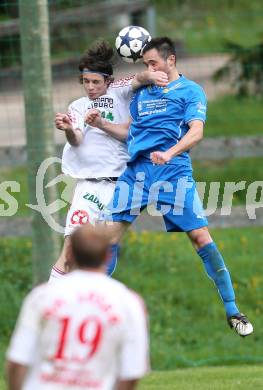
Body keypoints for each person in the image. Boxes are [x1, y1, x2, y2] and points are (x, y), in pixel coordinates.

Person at [85, 37, 253, 337]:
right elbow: (131, 131)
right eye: (145, 65)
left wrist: (170, 152)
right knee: (105, 239)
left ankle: (232, 310)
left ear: (171, 60)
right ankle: (88, 311)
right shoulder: (141, 93)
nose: (150, 69)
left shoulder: (190, 91)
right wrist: (102, 125)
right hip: (137, 172)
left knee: (200, 237)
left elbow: (196, 132)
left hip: (172, 171)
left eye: (154, 63)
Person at [49, 40, 168, 281]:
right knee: (70, 251)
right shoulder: (78, 106)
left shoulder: (121, 92)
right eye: (86, 82)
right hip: (88, 187)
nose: (90, 87)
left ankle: (92, 305)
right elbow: (77, 140)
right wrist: (69, 129)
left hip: (120, 186)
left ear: (108, 81)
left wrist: (153, 74)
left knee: (99, 253)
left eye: (96, 82)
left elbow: (140, 77)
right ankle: (51, 311)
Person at [6, 224, 149, 390]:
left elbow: (17, 362)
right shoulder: (129, 302)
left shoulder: (41, 296)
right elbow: (131, 373)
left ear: (69, 253)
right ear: (108, 256)